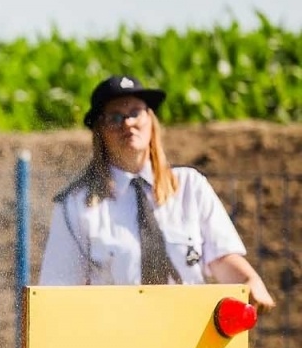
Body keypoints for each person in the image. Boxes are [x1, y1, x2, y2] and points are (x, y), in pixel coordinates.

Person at [38, 74, 276, 312]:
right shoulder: (76, 205)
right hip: (115, 340)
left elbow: (222, 259)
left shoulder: (191, 187)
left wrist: (249, 282)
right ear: (99, 130)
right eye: (115, 117)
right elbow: (59, 291)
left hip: (188, 336)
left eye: (135, 113)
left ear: (151, 120)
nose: (128, 123)